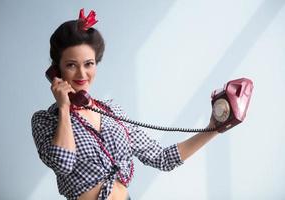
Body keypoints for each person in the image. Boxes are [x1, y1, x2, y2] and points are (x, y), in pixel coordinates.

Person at [31, 8, 219, 200]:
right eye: (71, 65)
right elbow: (63, 164)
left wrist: (214, 129)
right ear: (57, 70)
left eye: (89, 64)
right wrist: (64, 108)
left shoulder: (112, 112)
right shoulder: (45, 121)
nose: (81, 74)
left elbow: (161, 158)